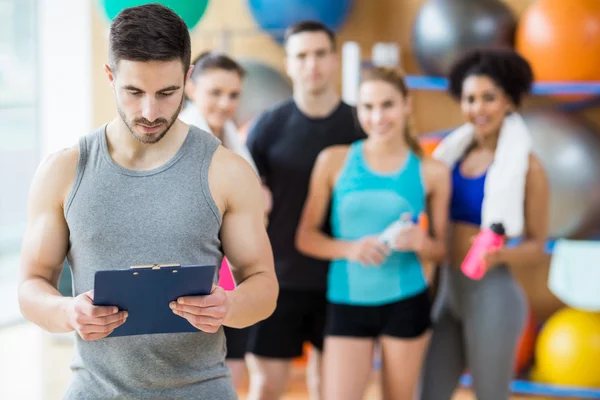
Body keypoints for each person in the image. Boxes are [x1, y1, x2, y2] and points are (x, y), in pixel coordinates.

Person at [17, 4, 278, 399]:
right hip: (94, 390)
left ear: (188, 79)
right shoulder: (63, 170)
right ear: (110, 76)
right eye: (134, 92)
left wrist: (230, 306)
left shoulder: (227, 171)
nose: (150, 112)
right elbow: (30, 286)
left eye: (167, 93)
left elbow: (263, 284)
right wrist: (67, 311)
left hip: (202, 389)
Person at [295, 67, 451, 400]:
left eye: (388, 105)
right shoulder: (333, 161)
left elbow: (442, 250)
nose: (378, 116)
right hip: (347, 301)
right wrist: (349, 249)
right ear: (359, 110)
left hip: (406, 302)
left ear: (406, 105)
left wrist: (422, 243)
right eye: (368, 107)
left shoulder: (432, 171)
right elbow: (306, 237)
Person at [244, 21, 365, 400]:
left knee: (331, 390)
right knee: (267, 387)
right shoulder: (268, 126)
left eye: (319, 54)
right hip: (279, 278)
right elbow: (247, 202)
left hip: (342, 280)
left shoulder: (360, 125)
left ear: (333, 59)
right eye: (301, 55)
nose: (311, 64)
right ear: (289, 64)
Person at [419, 48, 549, 400]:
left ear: (509, 101)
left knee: (490, 395)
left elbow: (538, 245)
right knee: (427, 393)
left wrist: (500, 257)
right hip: (448, 293)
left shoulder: (528, 168)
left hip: (493, 295)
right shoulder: (449, 156)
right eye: (470, 98)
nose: (478, 108)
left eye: (488, 98)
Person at [179, 50, 265, 389]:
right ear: (190, 85)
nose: (225, 103)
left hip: (232, 278)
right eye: (215, 92)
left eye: (233, 94)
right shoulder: (180, 142)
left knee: (233, 378)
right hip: (194, 278)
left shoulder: (233, 140)